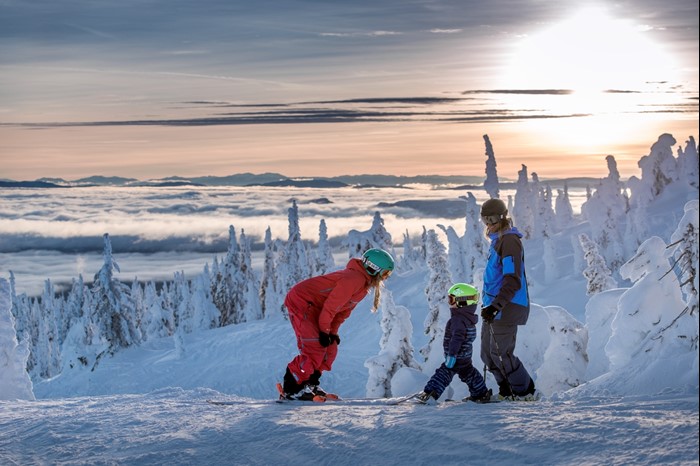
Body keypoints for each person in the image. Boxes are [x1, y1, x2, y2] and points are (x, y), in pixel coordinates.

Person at [279, 248, 395, 401]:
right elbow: (331, 307)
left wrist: (331, 333)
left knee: (330, 349)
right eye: (385, 273)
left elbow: (342, 313)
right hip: (302, 301)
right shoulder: (354, 279)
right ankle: (292, 388)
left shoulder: (363, 287)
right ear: (373, 269)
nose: (385, 278)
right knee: (314, 346)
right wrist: (324, 331)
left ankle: (310, 384)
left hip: (318, 307)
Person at [479, 198, 537, 401]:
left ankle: (524, 391)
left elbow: (512, 280)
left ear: (503, 217)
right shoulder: (498, 240)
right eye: (485, 219)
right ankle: (506, 390)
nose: (489, 223)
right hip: (494, 306)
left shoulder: (509, 241)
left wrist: (496, 306)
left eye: (492, 218)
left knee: (501, 354)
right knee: (487, 354)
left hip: (506, 306)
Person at [417, 283, 492, 404]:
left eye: (451, 299)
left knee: (443, 373)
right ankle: (481, 394)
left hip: (456, 357)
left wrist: (452, 354)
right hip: (465, 357)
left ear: (462, 301)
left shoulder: (458, 320)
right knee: (469, 374)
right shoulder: (468, 318)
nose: (449, 303)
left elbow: (457, 338)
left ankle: (430, 393)